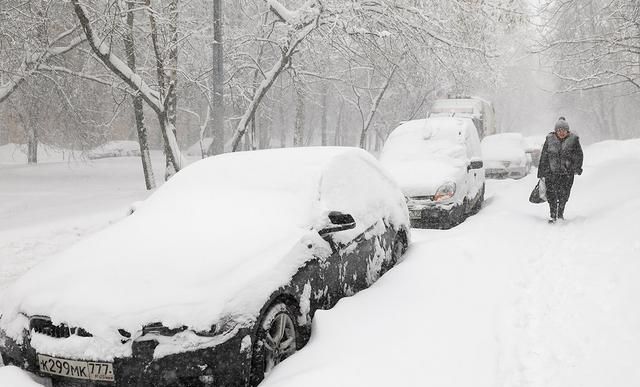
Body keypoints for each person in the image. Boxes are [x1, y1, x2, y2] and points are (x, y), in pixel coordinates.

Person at [537, 116, 584, 223]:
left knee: (564, 195)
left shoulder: (573, 140)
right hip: (551, 173)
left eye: (563, 130)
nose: (561, 132)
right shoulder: (549, 140)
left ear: (567, 131)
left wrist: (576, 168)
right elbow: (544, 156)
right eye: (559, 130)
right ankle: (553, 216)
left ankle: (560, 214)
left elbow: (579, 155)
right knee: (551, 194)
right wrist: (541, 172)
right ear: (556, 131)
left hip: (567, 173)